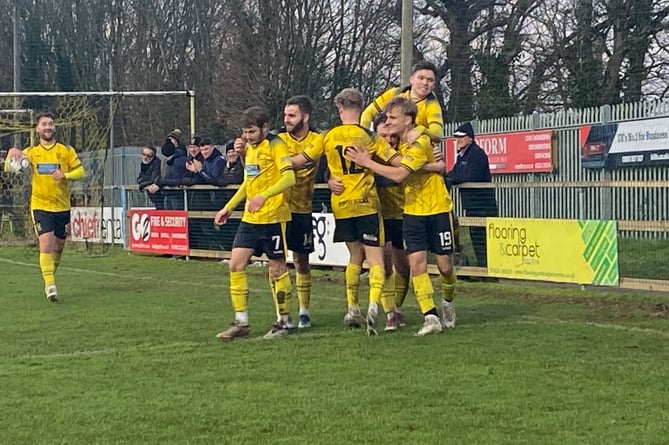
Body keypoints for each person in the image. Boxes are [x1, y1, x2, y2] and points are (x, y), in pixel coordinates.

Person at [345, 97, 456, 336]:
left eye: (392, 118)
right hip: (412, 211)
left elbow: (399, 175)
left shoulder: (420, 141)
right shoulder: (402, 145)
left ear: (408, 120)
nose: (388, 122)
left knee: (445, 267)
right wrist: (434, 166)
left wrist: (366, 162)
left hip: (437, 209)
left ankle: (447, 301)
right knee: (416, 264)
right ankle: (431, 316)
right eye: (386, 118)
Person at [294, 88, 399, 336]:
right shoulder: (370, 137)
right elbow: (396, 162)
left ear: (339, 108)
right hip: (366, 202)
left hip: (341, 204)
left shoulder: (328, 137)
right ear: (361, 108)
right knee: (375, 260)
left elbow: (302, 159)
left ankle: (353, 307)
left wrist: (279, 161)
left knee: (354, 257)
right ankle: (373, 306)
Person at [214, 106, 296, 341]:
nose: (248, 136)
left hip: (273, 217)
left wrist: (264, 196)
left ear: (265, 127)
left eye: (252, 131)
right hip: (251, 219)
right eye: (245, 132)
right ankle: (241, 321)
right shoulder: (250, 149)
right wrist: (228, 208)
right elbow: (248, 183)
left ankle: (282, 322)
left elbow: (289, 177)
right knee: (235, 264)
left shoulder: (276, 145)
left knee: (277, 269)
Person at [6, 112, 85, 302]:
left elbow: (80, 171)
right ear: (37, 129)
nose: (48, 127)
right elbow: (10, 168)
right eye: (44, 124)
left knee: (58, 246)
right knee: (46, 243)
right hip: (40, 205)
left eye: (50, 123)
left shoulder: (66, 150)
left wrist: (64, 176)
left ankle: (50, 273)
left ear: (54, 127)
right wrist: (11, 153)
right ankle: (50, 286)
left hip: (62, 206)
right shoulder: (31, 153)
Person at [279, 95, 324, 329]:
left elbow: (295, 161)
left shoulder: (318, 140)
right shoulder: (277, 140)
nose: (286, 119)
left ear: (305, 117)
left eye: (292, 115)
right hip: (279, 209)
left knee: (301, 261)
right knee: (276, 262)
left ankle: (304, 312)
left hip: (302, 209)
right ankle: (282, 314)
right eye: (285, 115)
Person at [371, 114, 410, 331]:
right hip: (379, 216)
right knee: (384, 266)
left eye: (391, 135)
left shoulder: (406, 151)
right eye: (382, 135)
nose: (387, 139)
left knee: (403, 268)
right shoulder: (368, 154)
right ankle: (390, 314)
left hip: (405, 215)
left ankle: (396, 306)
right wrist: (331, 181)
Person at [446, 122, 498, 269]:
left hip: (483, 205)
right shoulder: (462, 156)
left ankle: (489, 270)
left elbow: (470, 176)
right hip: (471, 205)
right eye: (457, 138)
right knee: (476, 238)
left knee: (484, 239)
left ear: (470, 138)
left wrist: (452, 179)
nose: (458, 140)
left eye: (461, 137)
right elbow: (454, 173)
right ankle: (482, 269)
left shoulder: (476, 154)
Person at [360, 60, 444, 143]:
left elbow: (438, 133)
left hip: (413, 149)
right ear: (411, 79)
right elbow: (368, 113)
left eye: (430, 80)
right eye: (421, 78)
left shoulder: (432, 105)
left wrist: (421, 130)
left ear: (434, 84)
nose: (425, 83)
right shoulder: (394, 93)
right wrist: (365, 137)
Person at [156, 129, 188, 210]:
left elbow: (176, 179)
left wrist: (161, 182)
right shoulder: (165, 159)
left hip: (176, 194)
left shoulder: (180, 159)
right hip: (167, 193)